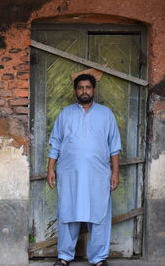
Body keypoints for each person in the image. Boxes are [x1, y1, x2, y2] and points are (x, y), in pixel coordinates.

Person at [47, 74, 121, 266]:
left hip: (98, 174)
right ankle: (64, 257)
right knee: (68, 213)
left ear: (93, 90)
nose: (84, 91)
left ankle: (98, 258)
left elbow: (114, 146)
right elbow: (55, 142)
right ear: (75, 91)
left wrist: (115, 173)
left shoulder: (106, 114)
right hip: (69, 173)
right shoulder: (65, 114)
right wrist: (51, 169)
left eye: (88, 87)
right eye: (80, 88)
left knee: (99, 215)